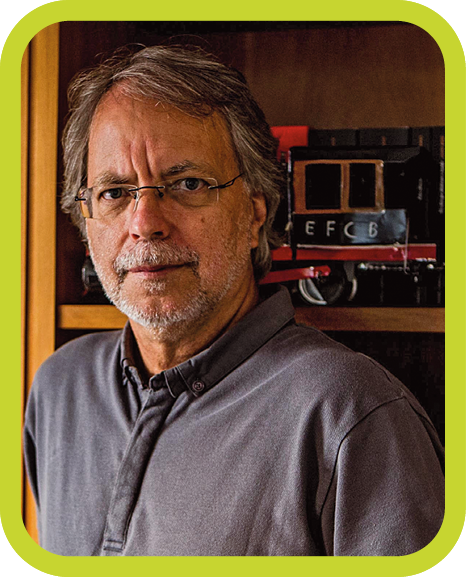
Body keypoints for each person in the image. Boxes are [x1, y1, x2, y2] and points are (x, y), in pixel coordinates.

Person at [23, 45, 444, 557]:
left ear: (254, 214)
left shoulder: (351, 416)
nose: (145, 222)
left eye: (187, 184)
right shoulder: (58, 391)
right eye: (114, 192)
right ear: (84, 219)